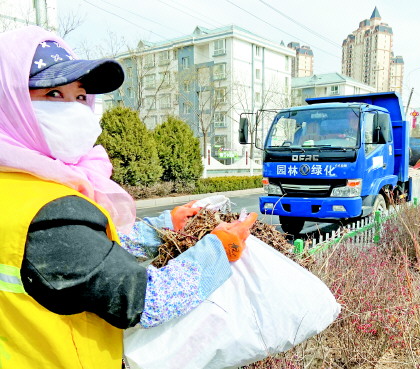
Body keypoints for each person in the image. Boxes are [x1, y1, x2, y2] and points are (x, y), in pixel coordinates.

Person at [0, 26, 257, 369]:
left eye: (79, 97)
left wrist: (165, 226)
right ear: (9, 102)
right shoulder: (48, 211)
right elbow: (145, 299)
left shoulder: (18, 186)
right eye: (53, 95)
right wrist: (222, 248)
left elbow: (79, 260)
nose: (75, 111)